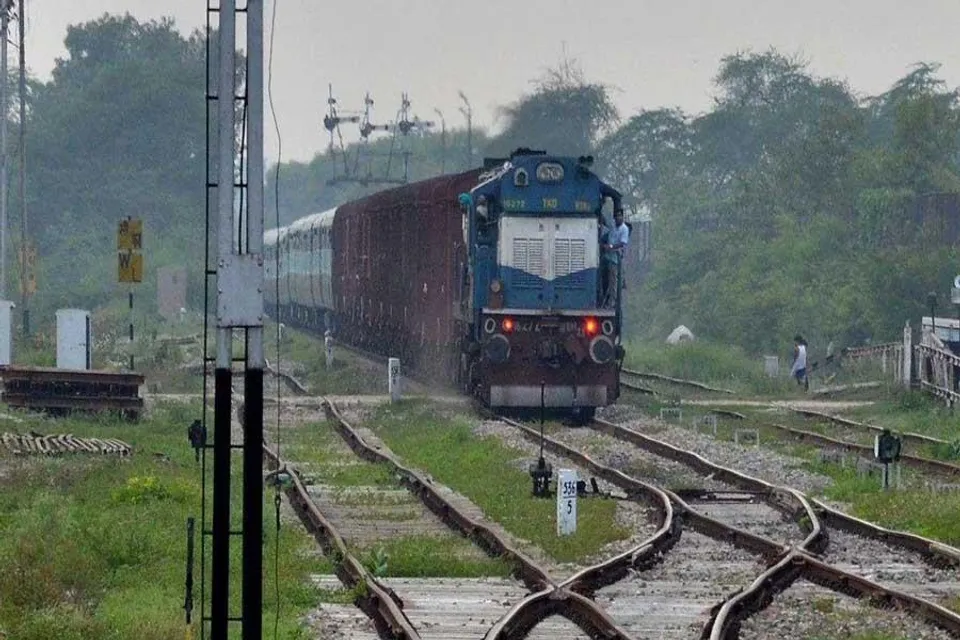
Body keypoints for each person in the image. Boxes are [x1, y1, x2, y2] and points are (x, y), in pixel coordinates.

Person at [600, 208, 630, 308]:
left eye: (619, 216)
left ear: (622, 217)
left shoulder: (624, 229)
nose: (618, 218)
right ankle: (602, 298)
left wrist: (611, 247)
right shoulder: (613, 227)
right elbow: (606, 233)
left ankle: (612, 302)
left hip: (615, 259)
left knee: (613, 282)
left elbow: (622, 243)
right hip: (607, 257)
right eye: (616, 216)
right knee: (602, 277)